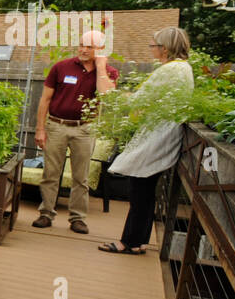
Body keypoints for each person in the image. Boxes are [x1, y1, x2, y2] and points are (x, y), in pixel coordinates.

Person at [99, 27, 194, 255]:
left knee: (139, 190)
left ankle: (127, 242)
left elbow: (138, 100)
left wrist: (115, 94)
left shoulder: (170, 70)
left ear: (165, 48)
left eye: (153, 45)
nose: (151, 49)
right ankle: (139, 241)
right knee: (146, 191)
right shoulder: (184, 68)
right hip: (166, 133)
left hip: (158, 135)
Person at [32, 29, 118, 234]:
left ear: (101, 50)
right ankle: (46, 214)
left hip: (84, 129)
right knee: (51, 173)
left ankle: (77, 218)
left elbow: (106, 94)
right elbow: (44, 100)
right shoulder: (61, 67)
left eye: (89, 46)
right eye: (81, 44)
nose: (83, 49)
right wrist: (40, 129)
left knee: (81, 177)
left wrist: (99, 67)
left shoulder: (109, 72)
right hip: (56, 126)